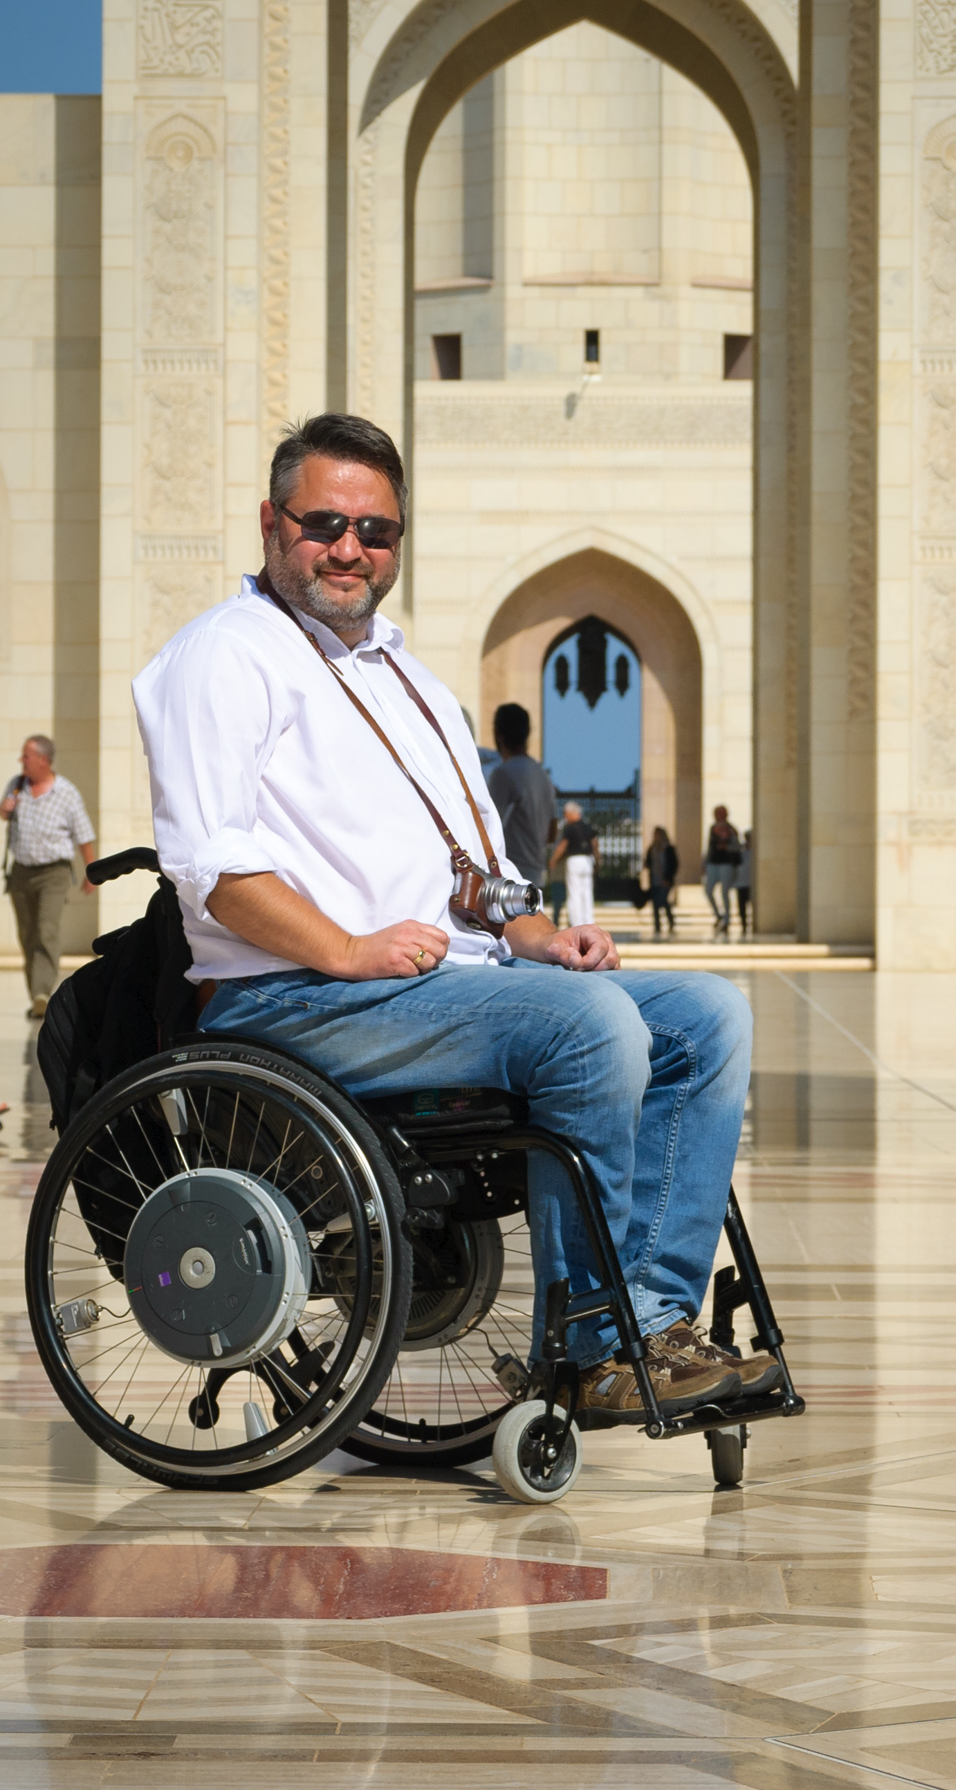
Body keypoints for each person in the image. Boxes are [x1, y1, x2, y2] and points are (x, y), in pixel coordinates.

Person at [132, 411, 776, 1419]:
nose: (350, 548)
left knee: (708, 1013)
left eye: (375, 530)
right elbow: (210, 871)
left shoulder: (409, 678)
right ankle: (592, 1342)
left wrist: (537, 934)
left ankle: (651, 1316)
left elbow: (474, 876)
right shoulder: (224, 656)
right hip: (295, 994)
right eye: (325, 523)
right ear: (271, 521)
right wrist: (346, 949)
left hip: (440, 983)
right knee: (590, 1025)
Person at [1, 735, 96, 1019]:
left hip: (53, 873)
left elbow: (84, 835)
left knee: (46, 929)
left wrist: (92, 873)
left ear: (43, 760)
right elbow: (5, 815)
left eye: (26, 756)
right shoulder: (17, 786)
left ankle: (43, 991)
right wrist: (4, 810)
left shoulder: (66, 792)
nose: (22, 761)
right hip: (20, 872)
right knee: (28, 934)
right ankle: (36, 994)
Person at [487, 703, 557, 888]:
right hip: (535, 875)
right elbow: (552, 831)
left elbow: (487, 826)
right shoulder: (543, 774)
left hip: (509, 876)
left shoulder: (504, 773)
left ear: (499, 735)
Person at [549, 800, 600, 929]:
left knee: (575, 893)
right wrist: (597, 862)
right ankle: (588, 922)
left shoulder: (570, 828)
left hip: (575, 861)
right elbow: (595, 845)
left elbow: (563, 845)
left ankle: (576, 924)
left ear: (572, 813)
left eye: (566, 814)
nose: (565, 817)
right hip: (588, 861)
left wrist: (553, 859)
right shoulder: (588, 827)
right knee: (587, 893)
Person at [704, 805, 741, 931]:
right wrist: (705, 863)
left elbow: (737, 847)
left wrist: (726, 847)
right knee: (708, 890)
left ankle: (727, 920)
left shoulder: (731, 829)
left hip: (726, 864)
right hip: (713, 863)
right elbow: (709, 847)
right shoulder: (712, 828)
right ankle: (718, 915)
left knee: (724, 892)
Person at [644, 826, 678, 934]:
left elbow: (673, 865)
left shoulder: (668, 849)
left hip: (666, 880)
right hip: (655, 880)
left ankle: (670, 920)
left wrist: (668, 878)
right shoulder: (652, 849)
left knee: (662, 900)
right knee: (655, 903)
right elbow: (648, 863)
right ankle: (657, 925)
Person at [735, 828, 753, 934]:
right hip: (741, 882)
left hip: (751, 883)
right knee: (742, 906)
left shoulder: (754, 852)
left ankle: (748, 924)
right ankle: (744, 925)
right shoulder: (740, 850)